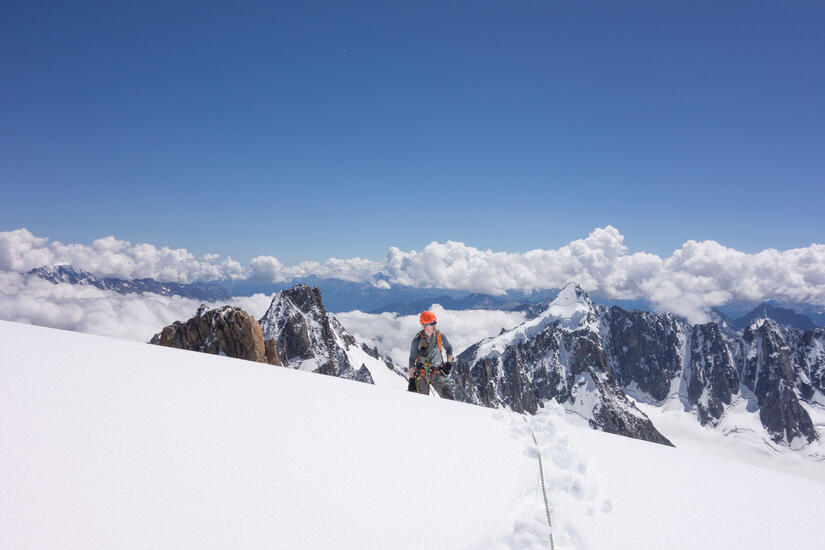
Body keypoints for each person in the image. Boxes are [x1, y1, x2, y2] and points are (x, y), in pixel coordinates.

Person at [408, 310, 454, 399]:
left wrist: (448, 364)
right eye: (431, 323)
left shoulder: (440, 336)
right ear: (424, 325)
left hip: (438, 372)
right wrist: (411, 380)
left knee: (450, 399)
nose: (434, 325)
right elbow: (412, 359)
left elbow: (449, 348)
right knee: (422, 401)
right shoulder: (417, 340)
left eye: (435, 322)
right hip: (422, 374)